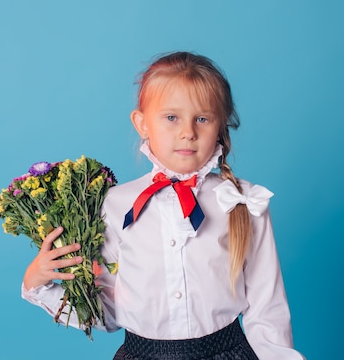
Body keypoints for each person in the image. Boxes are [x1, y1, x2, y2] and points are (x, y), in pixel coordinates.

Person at [22, 52, 305, 359]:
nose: (188, 132)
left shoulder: (243, 202)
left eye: (202, 118)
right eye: (172, 117)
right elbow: (109, 312)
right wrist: (39, 282)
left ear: (220, 125)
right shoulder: (115, 205)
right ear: (142, 124)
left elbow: (267, 308)